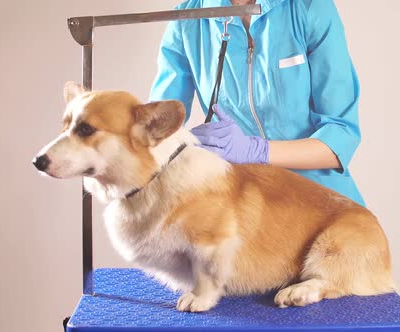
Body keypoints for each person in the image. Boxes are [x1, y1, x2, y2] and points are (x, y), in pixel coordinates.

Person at [149, 0, 365, 206]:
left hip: (322, 206)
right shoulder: (187, 21)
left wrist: (257, 151)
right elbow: (157, 134)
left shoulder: (308, 7)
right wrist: (187, 148)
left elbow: (341, 136)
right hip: (241, 207)